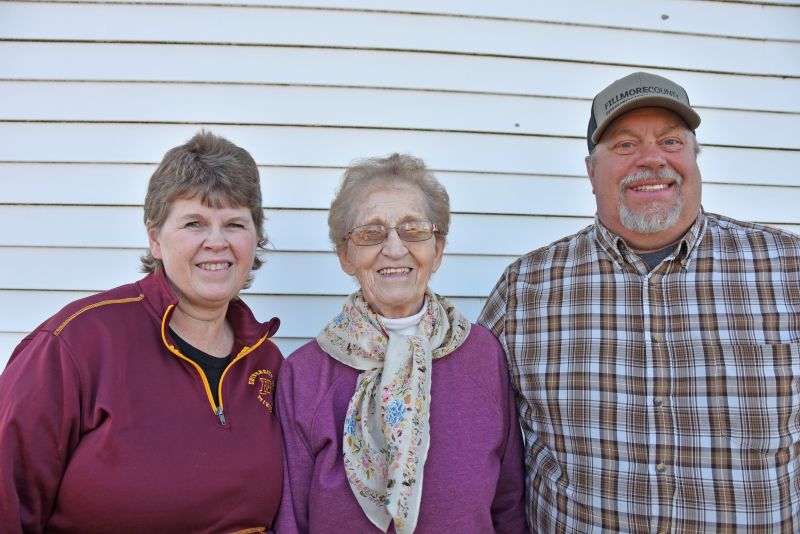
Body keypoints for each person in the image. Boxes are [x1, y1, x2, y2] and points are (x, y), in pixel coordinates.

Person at [479, 70, 800, 532]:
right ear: (591, 171)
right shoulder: (525, 289)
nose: (652, 160)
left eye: (671, 142)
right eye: (625, 145)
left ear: (694, 157)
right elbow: (480, 442)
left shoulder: (786, 269)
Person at [0, 131, 284, 533]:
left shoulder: (267, 362)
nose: (216, 242)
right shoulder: (77, 344)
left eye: (235, 223)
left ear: (255, 239)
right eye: (194, 223)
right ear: (155, 238)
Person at [275, 153, 526, 533]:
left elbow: (509, 504)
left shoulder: (482, 355)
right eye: (370, 233)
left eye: (414, 230)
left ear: (437, 249)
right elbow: (291, 520)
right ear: (346, 255)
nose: (394, 248)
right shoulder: (305, 373)